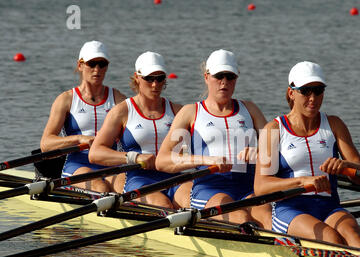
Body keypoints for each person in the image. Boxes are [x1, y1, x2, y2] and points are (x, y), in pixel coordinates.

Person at [254, 61, 360, 248]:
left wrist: (346, 168)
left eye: (318, 90)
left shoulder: (335, 125)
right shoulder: (273, 130)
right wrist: (303, 181)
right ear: (291, 93)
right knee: (331, 239)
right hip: (290, 210)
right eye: (306, 91)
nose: (313, 97)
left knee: (356, 239)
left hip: (329, 207)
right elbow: (260, 187)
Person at [155, 49, 271, 228]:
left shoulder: (250, 109)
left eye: (229, 76)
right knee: (240, 217)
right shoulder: (191, 112)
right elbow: (162, 161)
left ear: (236, 79)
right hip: (209, 189)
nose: (224, 82)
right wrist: (206, 160)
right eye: (219, 76)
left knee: (268, 218)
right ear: (206, 77)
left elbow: (276, 152)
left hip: (247, 188)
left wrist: (262, 152)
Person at [89, 51, 189, 209]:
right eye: (149, 79)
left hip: (174, 178)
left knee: (194, 203)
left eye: (160, 78)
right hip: (139, 180)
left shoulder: (178, 111)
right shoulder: (121, 112)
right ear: (137, 77)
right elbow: (95, 153)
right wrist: (135, 157)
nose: (155, 85)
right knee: (164, 205)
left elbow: (195, 147)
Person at [40, 40, 126, 192]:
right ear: (80, 65)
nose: (97, 69)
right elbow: (46, 144)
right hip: (79, 165)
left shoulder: (118, 99)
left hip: (111, 161)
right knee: (101, 187)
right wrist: (79, 139)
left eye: (102, 64)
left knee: (127, 188)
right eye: (91, 64)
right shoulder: (66, 100)